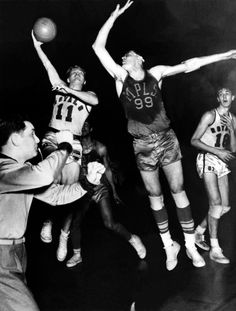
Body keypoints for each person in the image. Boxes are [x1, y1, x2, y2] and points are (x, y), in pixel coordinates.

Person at [92, 0, 236, 270]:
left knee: (178, 190)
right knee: (155, 196)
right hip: (142, 144)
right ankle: (170, 245)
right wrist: (113, 16)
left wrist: (224, 55)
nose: (125, 57)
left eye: (130, 54)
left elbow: (190, 64)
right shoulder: (120, 77)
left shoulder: (155, 74)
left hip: (166, 138)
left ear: (141, 60)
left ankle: (191, 246)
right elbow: (98, 48)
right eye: (123, 56)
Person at [0, 114, 105, 311]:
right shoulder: (3, 169)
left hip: (18, 252)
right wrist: (64, 146)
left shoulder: (23, 172)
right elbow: (45, 174)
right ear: (15, 139)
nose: (38, 139)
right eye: (32, 134)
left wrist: (88, 182)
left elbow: (57, 197)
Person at [31, 31, 99, 242]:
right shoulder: (60, 86)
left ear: (84, 80)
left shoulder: (90, 96)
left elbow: (94, 101)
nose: (77, 75)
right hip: (53, 137)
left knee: (71, 191)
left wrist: (68, 90)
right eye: (74, 73)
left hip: (75, 141)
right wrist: (37, 47)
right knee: (52, 178)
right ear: (68, 78)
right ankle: (48, 221)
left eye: (81, 74)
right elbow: (48, 67)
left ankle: (64, 233)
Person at [56, 121, 146, 267]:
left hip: (99, 188)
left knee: (109, 223)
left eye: (87, 124)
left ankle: (133, 239)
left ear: (91, 128)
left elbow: (108, 169)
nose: (84, 127)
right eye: (82, 124)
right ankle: (77, 255)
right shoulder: (73, 147)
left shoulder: (100, 147)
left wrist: (114, 192)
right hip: (82, 189)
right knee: (75, 223)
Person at [191, 87, 236, 264]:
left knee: (224, 207)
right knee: (215, 204)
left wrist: (232, 130)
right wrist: (216, 151)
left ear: (233, 97)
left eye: (228, 94)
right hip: (206, 157)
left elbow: (233, 150)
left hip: (221, 161)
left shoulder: (233, 119)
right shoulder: (209, 115)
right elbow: (193, 140)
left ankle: (199, 231)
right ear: (218, 97)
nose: (225, 96)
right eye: (221, 94)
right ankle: (215, 249)